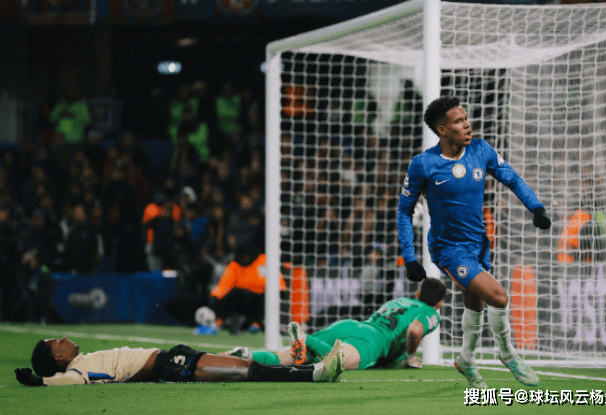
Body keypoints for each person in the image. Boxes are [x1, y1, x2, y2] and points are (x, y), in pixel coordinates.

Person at [397, 96, 551, 389]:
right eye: (458, 121)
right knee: (499, 297)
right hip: (449, 249)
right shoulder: (424, 164)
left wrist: (537, 208)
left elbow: (513, 179)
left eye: (466, 118)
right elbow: (404, 211)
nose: (467, 125)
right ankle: (508, 354)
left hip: (478, 244)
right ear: (442, 130)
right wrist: (410, 257)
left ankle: (466, 358)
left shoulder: (481, 150)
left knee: (475, 303)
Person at [224, 278, 446, 371]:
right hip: (371, 342)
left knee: (285, 359)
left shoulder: (400, 301)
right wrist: (410, 356)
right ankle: (305, 338)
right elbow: (415, 330)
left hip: (350, 326)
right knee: (333, 363)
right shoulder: (430, 313)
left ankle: (240, 355)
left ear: (417, 294)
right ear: (440, 304)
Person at [14, 337, 343, 386]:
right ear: (58, 357)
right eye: (59, 342)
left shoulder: (83, 360)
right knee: (246, 371)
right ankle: (316, 373)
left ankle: (313, 370)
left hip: (171, 359)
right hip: (170, 366)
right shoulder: (77, 370)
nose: (65, 340)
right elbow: (70, 381)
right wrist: (40, 381)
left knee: (244, 366)